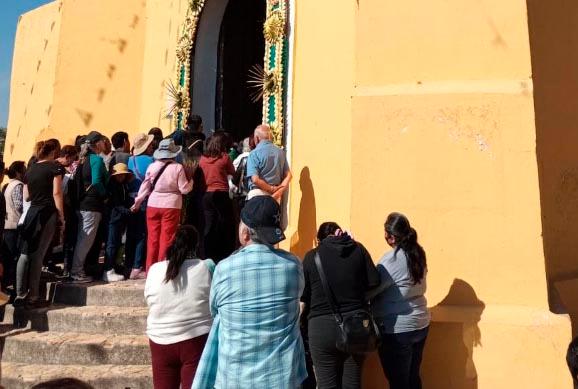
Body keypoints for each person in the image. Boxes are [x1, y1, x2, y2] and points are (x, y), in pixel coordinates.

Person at [193, 196, 307, 389]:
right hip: (282, 378)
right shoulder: (293, 265)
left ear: (245, 233)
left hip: (234, 377)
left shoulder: (224, 269)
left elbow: (214, 310)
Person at [300, 222, 381, 388]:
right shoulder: (358, 249)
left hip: (321, 329)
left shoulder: (311, 257)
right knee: (352, 383)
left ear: (318, 240)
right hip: (356, 325)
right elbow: (375, 281)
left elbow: (303, 297)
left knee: (327, 384)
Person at [145, 225, 214, 389]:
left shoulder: (155, 269)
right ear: (197, 245)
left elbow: (149, 299)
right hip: (197, 341)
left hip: (160, 342)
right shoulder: (207, 267)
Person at [372, 213, 430, 389]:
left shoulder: (392, 260)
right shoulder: (418, 253)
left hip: (398, 328)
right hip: (420, 323)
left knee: (398, 382)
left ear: (390, 237)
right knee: (413, 378)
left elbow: (372, 288)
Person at [132, 138, 194, 272]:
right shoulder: (178, 168)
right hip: (171, 204)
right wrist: (191, 181)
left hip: (153, 204)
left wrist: (137, 203)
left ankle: (150, 270)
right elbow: (184, 189)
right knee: (167, 238)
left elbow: (145, 187)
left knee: (152, 239)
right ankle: (162, 269)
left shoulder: (152, 166)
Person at [15, 140, 64, 307]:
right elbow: (57, 192)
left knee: (25, 253)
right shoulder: (54, 168)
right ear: (53, 152)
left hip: (32, 212)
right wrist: (61, 216)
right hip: (47, 212)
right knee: (38, 254)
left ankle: (20, 294)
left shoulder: (30, 170)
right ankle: (33, 296)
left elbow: (27, 196)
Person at [69, 131, 108, 283]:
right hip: (92, 206)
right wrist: (105, 196)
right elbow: (97, 181)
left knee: (81, 239)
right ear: (97, 143)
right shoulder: (96, 160)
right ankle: (77, 272)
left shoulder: (83, 159)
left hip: (82, 204)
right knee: (85, 240)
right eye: (103, 141)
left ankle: (77, 269)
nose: (105, 144)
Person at [199, 132, 236, 262]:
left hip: (206, 194)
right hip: (221, 193)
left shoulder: (202, 159)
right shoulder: (224, 158)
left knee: (209, 225)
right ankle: (224, 253)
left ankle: (208, 253)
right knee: (224, 224)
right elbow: (233, 172)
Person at [126, 133, 155, 279]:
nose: (152, 147)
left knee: (131, 233)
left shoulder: (130, 160)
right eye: (150, 145)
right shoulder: (152, 161)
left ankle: (128, 264)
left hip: (130, 200)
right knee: (142, 234)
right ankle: (137, 266)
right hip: (144, 200)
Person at [102, 163, 135, 282]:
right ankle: (108, 269)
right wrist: (129, 211)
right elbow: (116, 205)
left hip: (119, 219)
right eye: (119, 175)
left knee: (116, 244)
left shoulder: (123, 186)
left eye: (123, 175)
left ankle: (113, 267)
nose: (121, 177)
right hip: (113, 219)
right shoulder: (113, 187)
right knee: (111, 244)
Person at [246, 124, 292, 202]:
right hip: (276, 197)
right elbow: (289, 176)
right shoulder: (280, 152)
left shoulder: (254, 154)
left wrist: (271, 188)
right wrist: (279, 190)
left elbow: (255, 180)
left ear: (257, 138)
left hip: (257, 195)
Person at [2, 161, 26, 290]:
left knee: (8, 258)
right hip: (14, 226)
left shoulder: (9, 185)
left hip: (8, 226)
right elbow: (19, 206)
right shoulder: (18, 185)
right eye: (24, 169)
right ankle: (11, 286)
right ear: (18, 172)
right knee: (12, 258)